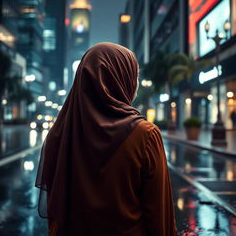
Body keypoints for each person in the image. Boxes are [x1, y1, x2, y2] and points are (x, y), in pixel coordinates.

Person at [35, 42, 178, 236]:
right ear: (119, 78)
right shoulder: (145, 135)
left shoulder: (60, 134)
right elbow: (159, 216)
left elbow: (56, 209)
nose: (135, 83)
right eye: (133, 76)